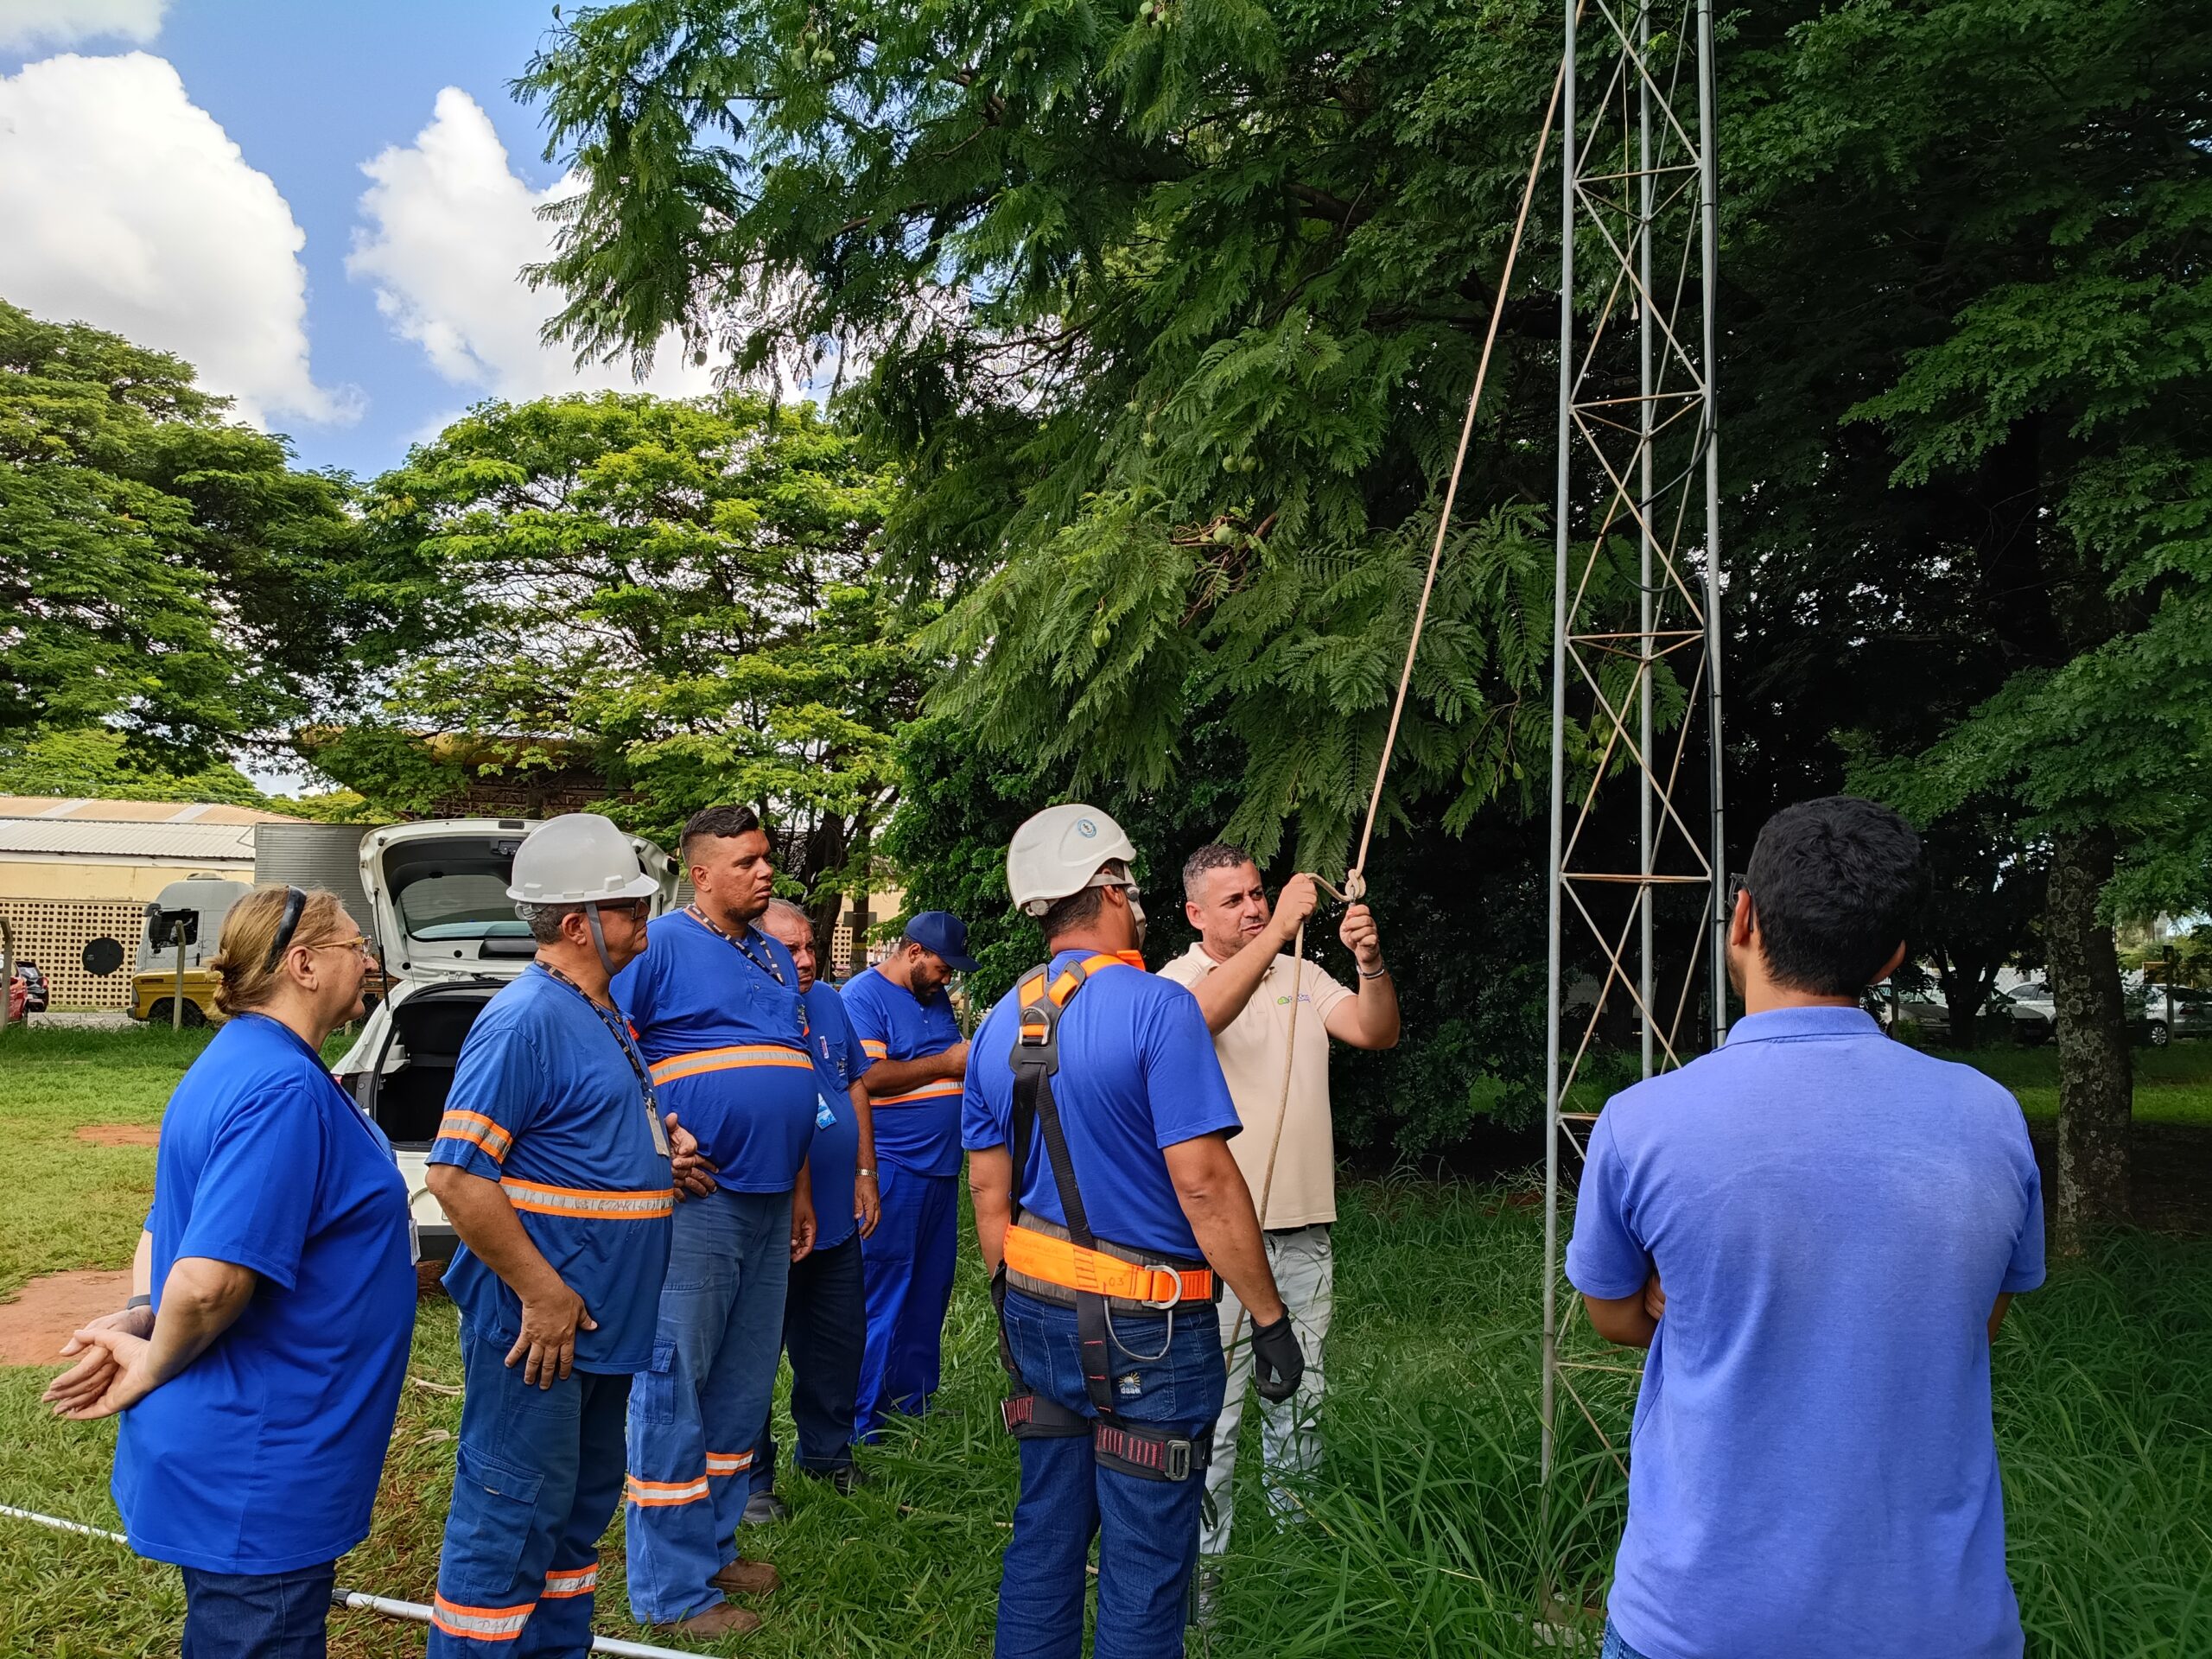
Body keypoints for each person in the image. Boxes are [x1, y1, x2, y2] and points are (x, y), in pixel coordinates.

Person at [1567, 797, 2045, 1659]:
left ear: (1743, 917)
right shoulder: (1991, 1117)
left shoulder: (1640, 1123)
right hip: (1936, 1624)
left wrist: (1699, 1301)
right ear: (1893, 957)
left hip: (1696, 1621)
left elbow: (1613, 1317)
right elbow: (1974, 1323)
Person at [965, 804, 1306, 1659]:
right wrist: (1269, 1319)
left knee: (1044, 1535)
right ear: (1114, 891)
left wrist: (1010, 1307)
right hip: (1148, 1329)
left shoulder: (998, 1023)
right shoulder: (1159, 1009)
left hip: (1035, 1312)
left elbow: (988, 1190)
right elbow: (1204, 1183)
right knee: (1147, 1561)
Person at [46, 885, 415, 1659]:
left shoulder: (241, 1061)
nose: (368, 961)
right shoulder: (283, 1087)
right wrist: (151, 1361)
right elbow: (212, 1280)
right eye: (355, 946)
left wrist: (144, 1309)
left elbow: (164, 1222)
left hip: (245, 1448)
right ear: (304, 965)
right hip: (259, 1461)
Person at [422, 814, 714, 1656]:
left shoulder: (600, 1012)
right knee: (509, 1520)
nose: (645, 915)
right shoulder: (526, 1019)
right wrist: (542, 1293)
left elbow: (574, 1142)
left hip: (601, 1326)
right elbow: (456, 1175)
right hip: (545, 1330)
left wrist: (657, 1161)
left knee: (573, 1521)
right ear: (579, 923)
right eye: (627, 904)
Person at [613, 805, 820, 1637]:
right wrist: (650, 1144)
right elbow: (607, 1047)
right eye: (746, 862)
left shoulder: (770, 954)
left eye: (766, 858)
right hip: (698, 1203)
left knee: (740, 1386)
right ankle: (670, 1592)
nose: (765, 872)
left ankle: (715, 1546)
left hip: (770, 1199)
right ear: (699, 874)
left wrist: (800, 1189)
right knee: (674, 1387)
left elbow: (790, 1068)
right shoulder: (659, 946)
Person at [1160, 844, 1400, 1560]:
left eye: (1258, 893)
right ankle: (1202, 1580)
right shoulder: (1175, 983)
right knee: (1215, 1413)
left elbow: (1375, 1031)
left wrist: (1369, 962)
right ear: (1195, 914)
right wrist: (1276, 935)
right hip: (1216, 1244)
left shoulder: (1302, 973)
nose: (1254, 908)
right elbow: (1195, 1022)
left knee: (1301, 1401)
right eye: (1233, 900)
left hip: (1303, 1235)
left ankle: (1295, 1562)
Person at [743, 897, 883, 1518]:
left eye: (810, 947)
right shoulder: (740, 1006)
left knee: (837, 1343)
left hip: (834, 1218)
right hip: (766, 1218)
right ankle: (750, 1478)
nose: (805, 960)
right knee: (752, 1351)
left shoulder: (827, 999)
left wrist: (865, 1172)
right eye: (789, 949)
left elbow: (853, 1083)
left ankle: (828, 1455)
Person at [840, 910, 977, 1436]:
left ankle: (912, 1402)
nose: (947, 979)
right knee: (883, 1291)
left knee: (929, 1289)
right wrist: (946, 1064)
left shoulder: (932, 996)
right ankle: (861, 1418)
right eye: (943, 968)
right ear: (914, 952)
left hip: (940, 1168)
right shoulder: (863, 996)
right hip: (894, 1165)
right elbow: (869, 1076)